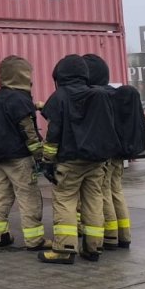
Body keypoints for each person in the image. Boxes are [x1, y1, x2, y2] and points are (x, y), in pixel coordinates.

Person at [37, 55, 119, 264]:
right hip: (96, 162)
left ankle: (64, 249)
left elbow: (53, 133)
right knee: (93, 201)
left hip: (69, 161)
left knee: (65, 200)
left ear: (59, 75)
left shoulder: (60, 97)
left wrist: (47, 160)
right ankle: (93, 247)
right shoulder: (100, 96)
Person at [0, 55, 49, 250]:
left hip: (0, 159)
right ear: (23, 75)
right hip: (20, 159)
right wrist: (41, 156)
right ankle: (34, 240)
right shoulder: (20, 100)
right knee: (29, 197)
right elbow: (29, 132)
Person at [83, 54, 145, 250]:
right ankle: (124, 235)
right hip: (119, 154)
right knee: (116, 191)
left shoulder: (95, 96)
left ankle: (110, 236)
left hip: (105, 154)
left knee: (102, 192)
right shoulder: (115, 93)